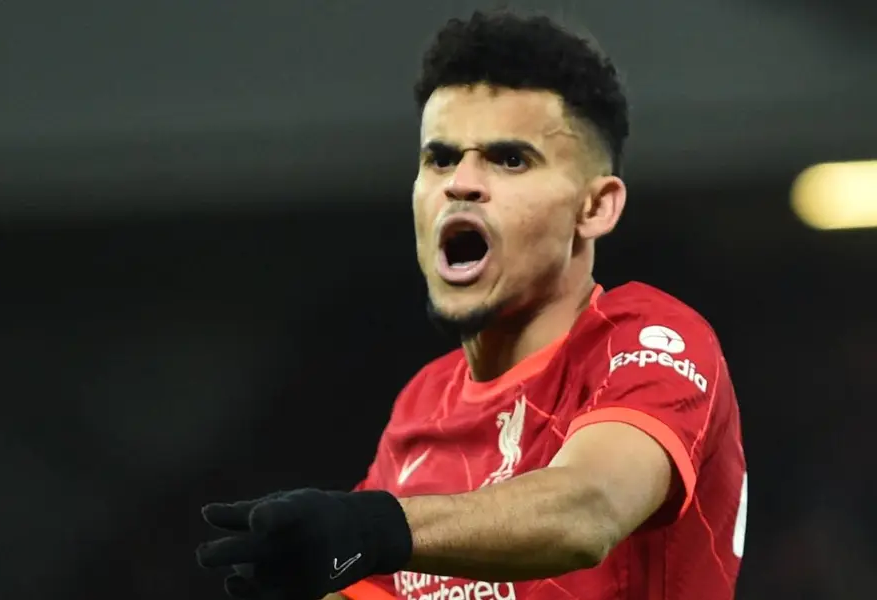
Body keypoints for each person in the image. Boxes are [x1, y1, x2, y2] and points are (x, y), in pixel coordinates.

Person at [195, 9, 747, 600]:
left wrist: (379, 525)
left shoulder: (649, 339)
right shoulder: (421, 406)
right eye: (440, 158)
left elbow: (589, 509)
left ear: (595, 208)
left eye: (510, 159)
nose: (461, 182)